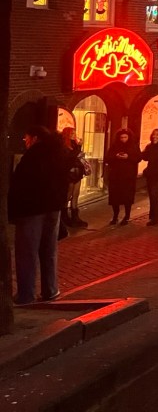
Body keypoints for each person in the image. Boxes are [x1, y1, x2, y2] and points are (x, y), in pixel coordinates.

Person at [11, 126, 66, 304]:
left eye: (26, 138)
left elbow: (21, 184)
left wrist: (14, 209)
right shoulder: (57, 153)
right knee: (49, 250)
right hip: (53, 208)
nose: (25, 142)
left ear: (34, 138)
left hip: (32, 209)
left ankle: (26, 294)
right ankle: (51, 289)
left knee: (27, 252)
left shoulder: (32, 156)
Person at [104, 128, 141, 226]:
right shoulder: (114, 146)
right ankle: (115, 216)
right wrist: (116, 156)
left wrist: (128, 157)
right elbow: (107, 158)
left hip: (128, 176)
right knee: (115, 197)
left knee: (127, 197)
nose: (123, 139)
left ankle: (127, 216)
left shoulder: (134, 146)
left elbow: (138, 157)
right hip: (115, 176)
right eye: (121, 137)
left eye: (125, 137)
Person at [60, 127, 88, 228]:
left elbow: (76, 155)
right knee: (68, 195)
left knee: (76, 195)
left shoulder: (74, 144)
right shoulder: (64, 145)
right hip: (70, 173)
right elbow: (70, 157)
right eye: (71, 133)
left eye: (74, 133)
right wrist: (78, 148)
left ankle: (75, 217)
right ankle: (64, 216)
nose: (74, 135)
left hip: (77, 172)